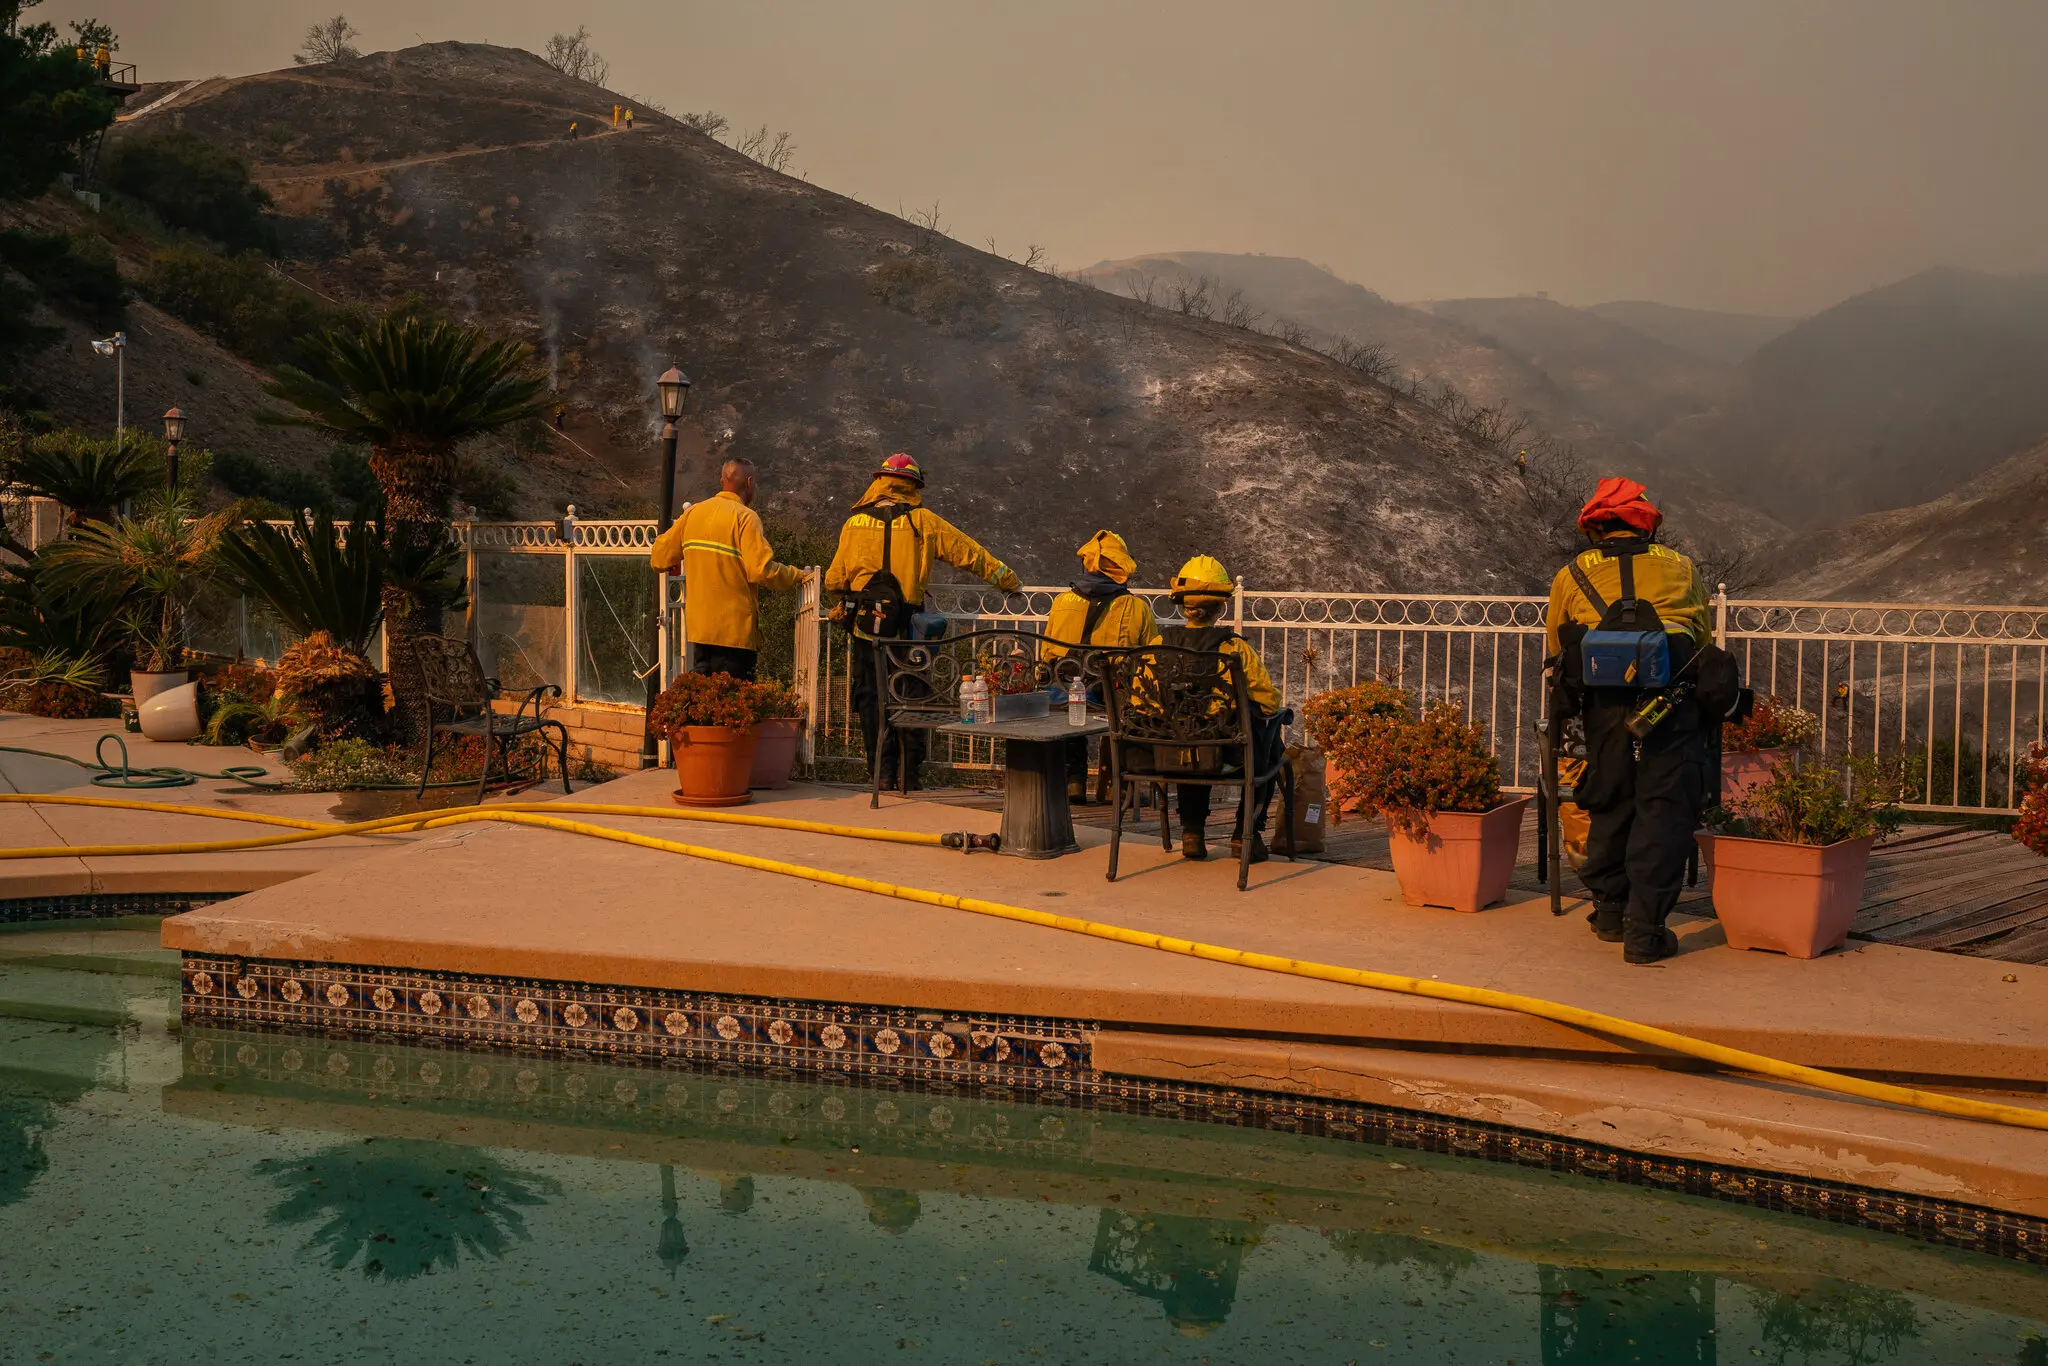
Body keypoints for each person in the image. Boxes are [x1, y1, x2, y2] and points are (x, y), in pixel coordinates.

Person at [1544, 477, 1712, 965]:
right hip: (1671, 701)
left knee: (1609, 795)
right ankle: (1646, 929)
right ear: (1646, 523)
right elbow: (1701, 634)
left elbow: (1557, 647)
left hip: (1603, 703)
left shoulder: (1571, 573)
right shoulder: (1680, 566)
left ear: (1596, 528)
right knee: (1663, 806)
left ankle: (1610, 910)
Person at [825, 453, 1020, 792]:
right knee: (911, 699)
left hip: (866, 628)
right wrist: (1007, 579)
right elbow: (968, 552)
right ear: (912, 487)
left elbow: (832, 580)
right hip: (910, 630)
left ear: (879, 483)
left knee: (871, 698)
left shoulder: (854, 524)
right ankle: (907, 775)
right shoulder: (924, 521)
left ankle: (880, 773)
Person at [1158, 555, 1282, 863]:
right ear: (1221, 607)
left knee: (1191, 741)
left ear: (1182, 605)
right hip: (1230, 755)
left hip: (1170, 753)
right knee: (1271, 748)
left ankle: (1192, 834)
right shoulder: (1235, 649)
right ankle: (1245, 836)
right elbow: (1268, 702)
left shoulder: (1158, 646)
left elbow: (1140, 701)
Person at [648, 456, 803, 681]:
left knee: (706, 703)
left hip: (700, 633)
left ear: (722, 480)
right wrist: (797, 575)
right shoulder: (746, 518)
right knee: (734, 706)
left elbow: (659, 557)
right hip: (735, 635)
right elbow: (761, 570)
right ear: (749, 482)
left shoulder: (693, 514)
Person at [1041, 529, 1159, 803]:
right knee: (1134, 704)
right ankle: (1123, 783)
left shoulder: (1062, 603)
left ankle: (1074, 782)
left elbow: (1047, 652)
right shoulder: (1135, 607)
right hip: (1112, 698)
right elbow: (1151, 657)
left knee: (1073, 704)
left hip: (1065, 693)